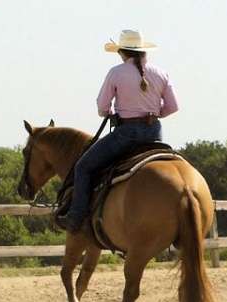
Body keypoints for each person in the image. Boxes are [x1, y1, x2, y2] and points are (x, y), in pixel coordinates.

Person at [57, 29, 179, 233]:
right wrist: (153, 115)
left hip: (126, 134)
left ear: (122, 52)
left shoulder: (116, 73)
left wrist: (111, 112)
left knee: (83, 167)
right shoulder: (161, 73)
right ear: (143, 51)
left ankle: (75, 218)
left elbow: (102, 106)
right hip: (154, 134)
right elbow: (173, 106)